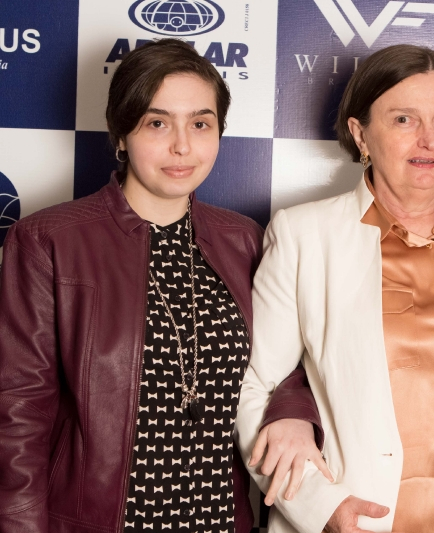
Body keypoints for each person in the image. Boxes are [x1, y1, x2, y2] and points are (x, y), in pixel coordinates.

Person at [0, 38, 327, 532]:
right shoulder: (49, 240)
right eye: (157, 123)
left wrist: (294, 413)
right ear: (121, 134)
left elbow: (286, 364)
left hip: (221, 518)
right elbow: (19, 410)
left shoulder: (244, 239)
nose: (182, 146)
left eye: (200, 124)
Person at [237, 44, 434, 533]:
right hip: (359, 520)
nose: (429, 139)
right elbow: (256, 387)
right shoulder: (304, 235)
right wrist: (320, 508)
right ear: (360, 133)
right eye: (404, 120)